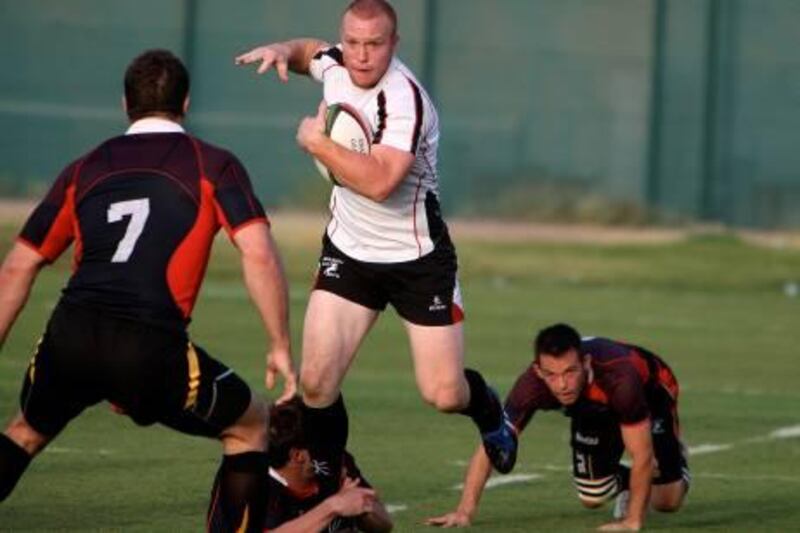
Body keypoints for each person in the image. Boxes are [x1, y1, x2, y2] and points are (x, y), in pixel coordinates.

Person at [0, 49, 296, 532]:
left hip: (71, 334)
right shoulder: (213, 164)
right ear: (186, 102)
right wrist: (280, 345)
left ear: (124, 104)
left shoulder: (84, 167)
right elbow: (259, 253)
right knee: (250, 426)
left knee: (25, 431)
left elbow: (18, 267)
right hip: (149, 345)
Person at [234, 0, 517, 487]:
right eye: (354, 43)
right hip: (350, 252)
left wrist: (317, 143)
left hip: (418, 260)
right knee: (317, 384)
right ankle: (329, 486)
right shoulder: (339, 63)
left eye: (375, 44)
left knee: (444, 392)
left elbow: (382, 181)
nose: (362, 56)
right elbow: (311, 53)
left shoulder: (405, 100)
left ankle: (491, 412)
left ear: (395, 43)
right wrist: (284, 49)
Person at [427, 323, 690, 531]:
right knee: (592, 496)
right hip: (592, 408)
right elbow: (494, 442)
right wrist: (464, 511)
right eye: (551, 375)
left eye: (570, 372)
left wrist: (632, 522)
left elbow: (641, 454)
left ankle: (675, 456)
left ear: (586, 364)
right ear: (539, 371)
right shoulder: (531, 386)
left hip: (651, 394)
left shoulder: (620, 378)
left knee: (667, 501)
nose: (562, 384)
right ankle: (629, 484)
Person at [209, 397, 393, 532]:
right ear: (299, 455)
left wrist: (363, 507)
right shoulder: (250, 484)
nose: (327, 448)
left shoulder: (333, 462)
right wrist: (333, 506)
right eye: (319, 444)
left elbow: (384, 525)